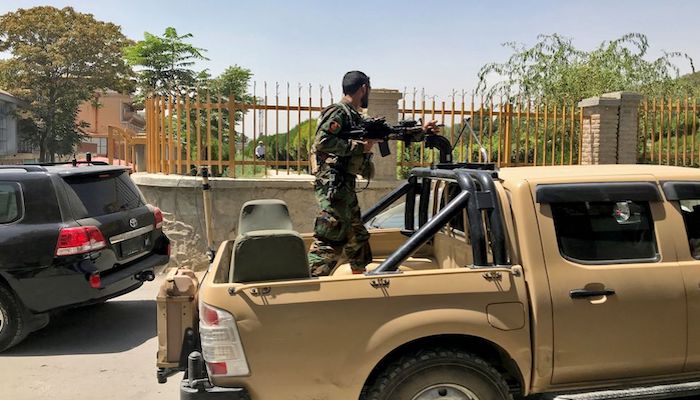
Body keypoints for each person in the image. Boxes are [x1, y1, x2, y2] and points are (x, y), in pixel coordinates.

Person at [307, 70, 439, 276]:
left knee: (357, 237)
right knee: (330, 237)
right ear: (363, 88)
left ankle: (361, 281)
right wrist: (361, 147)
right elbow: (323, 142)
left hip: (344, 185)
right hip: (333, 185)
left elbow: (391, 132)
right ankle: (310, 281)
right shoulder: (338, 112)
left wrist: (422, 131)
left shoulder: (355, 116)